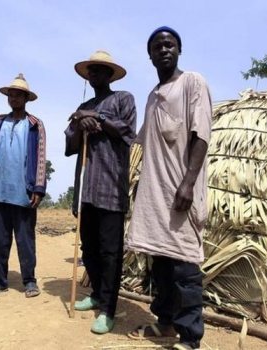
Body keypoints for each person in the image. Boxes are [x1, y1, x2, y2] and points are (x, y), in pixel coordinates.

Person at [126, 27, 212, 350]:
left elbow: (201, 134)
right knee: (161, 263)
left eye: (169, 44)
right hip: (156, 196)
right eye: (157, 46)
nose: (164, 49)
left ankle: (191, 336)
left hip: (180, 193)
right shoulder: (152, 97)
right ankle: (165, 324)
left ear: (179, 50)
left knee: (185, 266)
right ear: (149, 56)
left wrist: (188, 182)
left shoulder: (192, 83)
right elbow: (141, 140)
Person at [65, 50, 137, 334]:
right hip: (86, 190)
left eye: (99, 70)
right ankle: (95, 294)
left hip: (110, 188)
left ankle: (108, 309)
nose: (94, 74)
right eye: (91, 71)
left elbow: (128, 132)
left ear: (110, 75)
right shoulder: (82, 105)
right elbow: (70, 147)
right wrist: (78, 125)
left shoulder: (124, 99)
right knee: (89, 248)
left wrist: (97, 116)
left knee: (111, 252)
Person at [0, 74, 46, 298]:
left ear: (26, 98)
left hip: (23, 191)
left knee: (25, 240)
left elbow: (40, 157)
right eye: (11, 94)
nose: (13, 98)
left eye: (18, 95)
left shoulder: (35, 125)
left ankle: (29, 281)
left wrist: (37, 187)